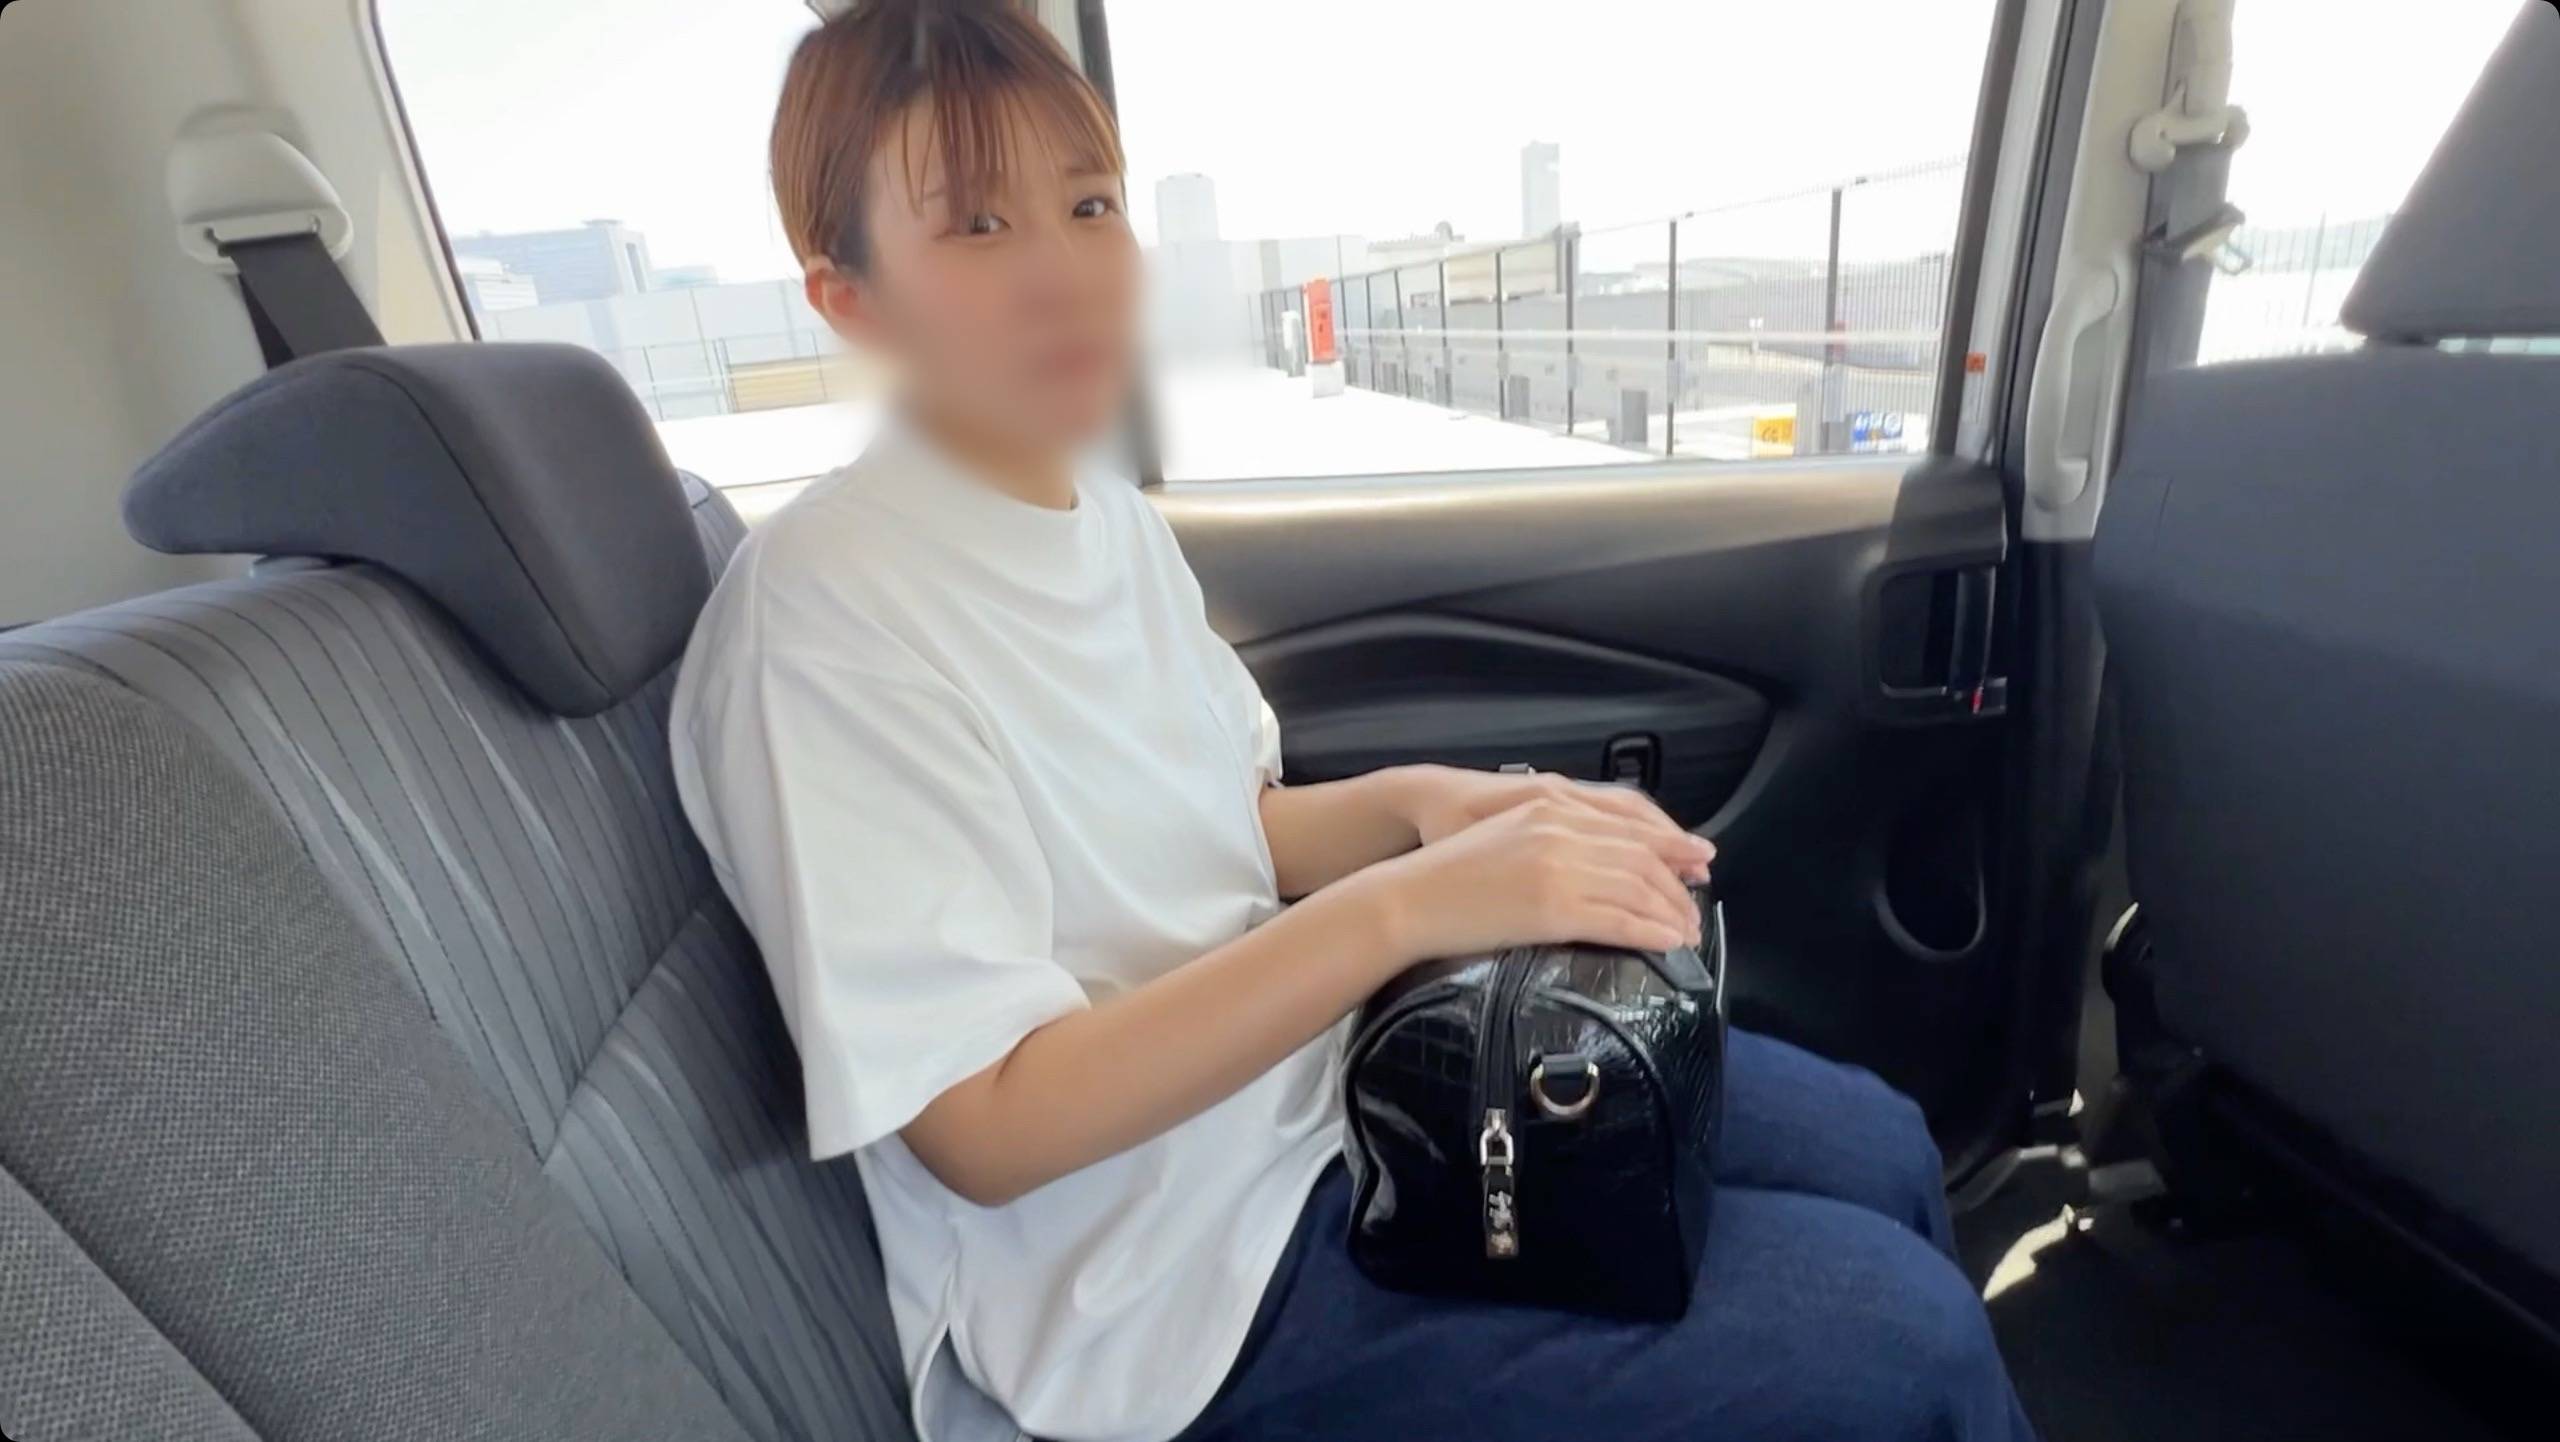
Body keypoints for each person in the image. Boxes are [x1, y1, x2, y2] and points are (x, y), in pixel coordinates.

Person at [670, 4, 2037, 1441]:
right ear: (852, 299)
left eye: (1089, 205)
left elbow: (1232, 824)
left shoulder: (1098, 511)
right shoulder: (823, 618)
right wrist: (1407, 907)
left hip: (1333, 1095)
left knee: (1883, 1143)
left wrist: (1433, 804)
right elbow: (990, 1121)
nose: (1063, 269)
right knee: (1912, 1351)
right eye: (979, 225)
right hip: (1171, 1297)